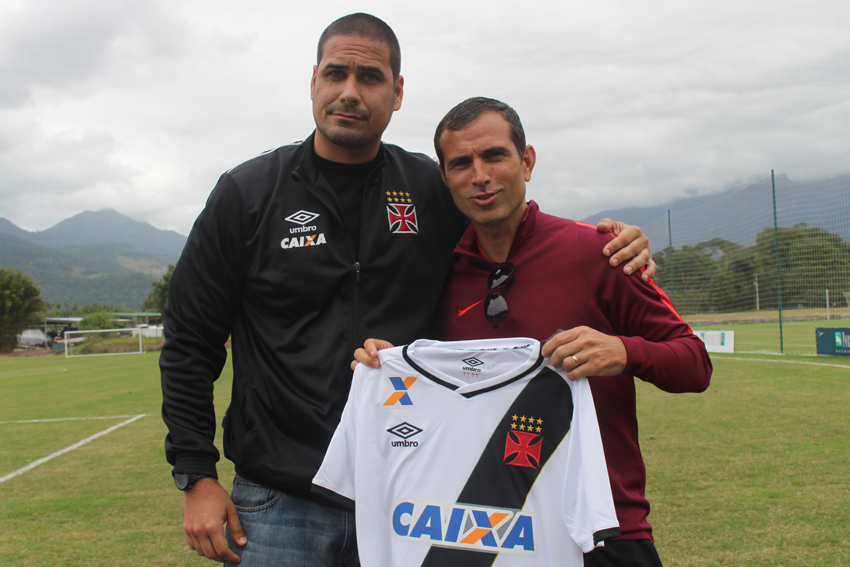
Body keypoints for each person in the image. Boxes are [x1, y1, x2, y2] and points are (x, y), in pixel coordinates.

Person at [161, 14, 655, 567]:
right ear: (313, 82)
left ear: (396, 93)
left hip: (413, 494)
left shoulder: (430, 188)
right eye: (336, 74)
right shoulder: (248, 193)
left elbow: (511, 237)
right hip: (282, 501)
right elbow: (190, 341)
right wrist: (196, 475)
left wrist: (609, 239)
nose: (350, 92)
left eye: (370, 77)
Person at [355, 97, 713, 566]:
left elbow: (695, 363)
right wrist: (382, 359)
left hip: (604, 527)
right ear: (445, 177)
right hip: (489, 530)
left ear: (526, 161)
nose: (480, 176)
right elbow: (425, 373)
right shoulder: (439, 271)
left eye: (494, 156)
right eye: (461, 164)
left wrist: (622, 352)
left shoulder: (599, 252)